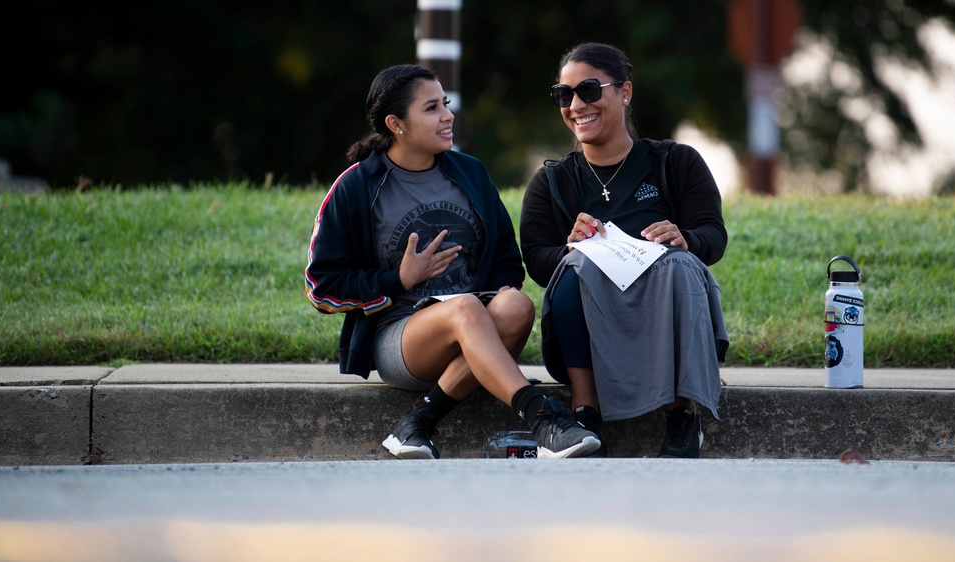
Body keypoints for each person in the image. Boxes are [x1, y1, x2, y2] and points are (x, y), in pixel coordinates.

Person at [305, 64, 600, 460]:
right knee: (465, 308)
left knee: (515, 304)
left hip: (476, 325)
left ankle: (418, 424)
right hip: (402, 338)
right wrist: (399, 279)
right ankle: (543, 419)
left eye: (445, 103)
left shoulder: (470, 173)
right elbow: (322, 288)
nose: (447, 115)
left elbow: (506, 262)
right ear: (396, 124)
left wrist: (495, 292)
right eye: (431, 108)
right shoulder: (357, 187)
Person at [520, 43, 729, 458]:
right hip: (591, 310)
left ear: (625, 92)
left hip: (660, 303)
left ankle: (683, 416)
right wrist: (568, 246)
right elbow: (538, 262)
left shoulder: (675, 162)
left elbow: (713, 236)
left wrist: (685, 238)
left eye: (590, 90)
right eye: (565, 95)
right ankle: (585, 410)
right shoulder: (553, 182)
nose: (577, 105)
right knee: (575, 266)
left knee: (681, 266)